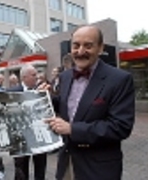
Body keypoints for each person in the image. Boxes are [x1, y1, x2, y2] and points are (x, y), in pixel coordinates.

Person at [46, 25, 135, 180]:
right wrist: (44, 98)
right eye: (76, 45)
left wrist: (72, 129)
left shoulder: (120, 79)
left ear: (100, 48)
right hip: (67, 163)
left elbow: (120, 127)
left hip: (98, 169)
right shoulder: (65, 76)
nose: (80, 51)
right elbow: (67, 105)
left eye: (88, 46)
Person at [8, 64, 47, 180]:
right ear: (24, 77)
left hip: (39, 137)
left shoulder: (42, 90)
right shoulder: (12, 92)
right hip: (21, 138)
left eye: (37, 74)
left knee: (40, 168)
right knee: (21, 170)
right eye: (33, 75)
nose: (37, 77)